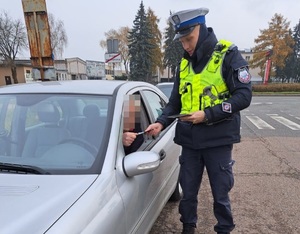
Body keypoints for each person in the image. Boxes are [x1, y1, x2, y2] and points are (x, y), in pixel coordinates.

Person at [145, 7, 252, 234]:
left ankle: (224, 229)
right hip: (190, 141)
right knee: (188, 191)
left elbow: (244, 95)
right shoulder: (183, 65)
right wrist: (161, 122)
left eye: (188, 39)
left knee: (221, 193)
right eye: (181, 41)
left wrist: (208, 114)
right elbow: (174, 103)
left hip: (218, 140)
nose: (185, 46)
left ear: (200, 29)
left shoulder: (228, 54)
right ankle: (188, 228)